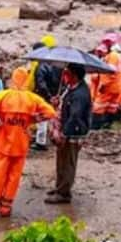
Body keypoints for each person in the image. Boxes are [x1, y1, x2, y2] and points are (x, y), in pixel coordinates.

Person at [0, 67, 57, 217]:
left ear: (13, 79)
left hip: (2, 141)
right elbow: (51, 112)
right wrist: (33, 120)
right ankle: (6, 206)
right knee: (14, 176)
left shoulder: (3, 96)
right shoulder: (32, 98)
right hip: (21, 143)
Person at [46, 64, 91, 205]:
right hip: (66, 129)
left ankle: (64, 193)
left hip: (72, 133)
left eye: (67, 74)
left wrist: (64, 133)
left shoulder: (80, 94)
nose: (64, 76)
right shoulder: (71, 88)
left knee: (68, 162)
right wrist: (57, 102)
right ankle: (60, 186)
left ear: (74, 76)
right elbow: (66, 105)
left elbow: (75, 115)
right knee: (61, 160)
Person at [28, 35, 60, 150]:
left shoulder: (40, 66)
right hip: (55, 95)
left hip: (44, 97)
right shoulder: (56, 64)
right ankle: (53, 137)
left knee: (42, 120)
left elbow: (41, 84)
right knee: (53, 117)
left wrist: (46, 95)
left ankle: (40, 143)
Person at [90, 44, 121, 130]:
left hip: (107, 88)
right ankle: (107, 124)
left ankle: (95, 126)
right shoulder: (115, 58)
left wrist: (103, 85)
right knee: (111, 107)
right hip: (116, 87)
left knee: (98, 108)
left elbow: (109, 74)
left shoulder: (111, 58)